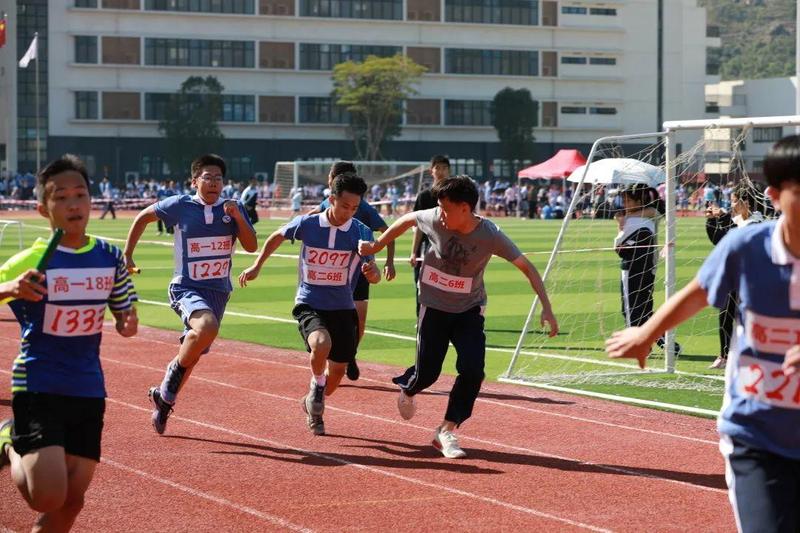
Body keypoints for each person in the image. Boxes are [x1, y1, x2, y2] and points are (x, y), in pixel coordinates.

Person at [606, 135, 800, 533]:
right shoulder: (747, 247)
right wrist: (646, 334)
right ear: (775, 196)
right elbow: (697, 292)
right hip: (757, 436)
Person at [360, 176, 558, 458]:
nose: (440, 214)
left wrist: (546, 306)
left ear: (465, 208)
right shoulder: (435, 218)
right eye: (439, 207)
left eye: (446, 209)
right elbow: (408, 219)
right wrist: (378, 246)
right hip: (433, 306)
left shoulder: (490, 235)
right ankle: (409, 388)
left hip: (469, 309)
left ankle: (446, 429)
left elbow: (527, 267)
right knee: (427, 373)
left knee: (473, 370)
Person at [0, 155, 138, 531]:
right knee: (47, 496)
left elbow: (125, 311)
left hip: (88, 387)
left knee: (71, 502)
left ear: (91, 201)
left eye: (80, 194)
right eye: (61, 197)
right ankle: (9, 441)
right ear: (43, 208)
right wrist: (10, 288)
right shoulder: (32, 260)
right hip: (38, 382)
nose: (73, 204)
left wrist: (127, 321)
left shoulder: (109, 257)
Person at [123, 154, 258, 435]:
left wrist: (237, 217)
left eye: (218, 178)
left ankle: (164, 398)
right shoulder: (180, 205)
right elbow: (143, 217)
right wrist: (128, 255)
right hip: (186, 287)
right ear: (195, 181)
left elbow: (251, 246)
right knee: (206, 327)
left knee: (193, 353)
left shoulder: (233, 208)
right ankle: (169, 384)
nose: (214, 183)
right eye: (208, 177)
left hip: (219, 291)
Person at [238, 172, 381, 435]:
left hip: (343, 307)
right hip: (310, 302)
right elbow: (277, 236)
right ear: (332, 199)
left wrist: (373, 273)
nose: (349, 213)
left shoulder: (361, 231)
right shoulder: (308, 223)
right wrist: (257, 265)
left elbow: (374, 273)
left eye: (354, 208)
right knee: (320, 343)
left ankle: (313, 397)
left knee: (336, 374)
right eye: (344, 206)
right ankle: (317, 386)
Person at [307, 161, 396, 381]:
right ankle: (336, 358)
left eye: (330, 176)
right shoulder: (330, 201)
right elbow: (314, 215)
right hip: (332, 272)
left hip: (360, 272)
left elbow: (387, 231)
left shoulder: (364, 208)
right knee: (329, 320)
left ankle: (350, 354)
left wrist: (389, 262)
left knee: (360, 321)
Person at [704, 183, 765, 369]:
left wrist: (722, 218)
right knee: (725, 314)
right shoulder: (738, 221)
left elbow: (738, 238)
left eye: (734, 201)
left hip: (751, 280)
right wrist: (712, 221)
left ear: (746, 202)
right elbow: (719, 240)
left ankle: (753, 355)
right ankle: (724, 355)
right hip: (734, 277)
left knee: (748, 318)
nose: (731, 205)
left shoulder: (756, 222)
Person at [613, 184, 679, 355]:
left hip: (634, 267)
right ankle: (665, 341)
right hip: (649, 266)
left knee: (631, 309)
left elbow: (619, 248)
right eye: (624, 200)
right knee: (644, 309)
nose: (625, 204)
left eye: (628, 200)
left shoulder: (638, 217)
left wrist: (622, 223)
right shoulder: (646, 215)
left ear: (640, 200)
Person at [410, 155, 450, 317]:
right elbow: (418, 227)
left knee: (448, 285)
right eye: (437, 168)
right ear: (431, 171)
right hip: (427, 249)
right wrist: (413, 252)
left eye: (444, 168)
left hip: (450, 249)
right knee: (421, 284)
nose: (441, 171)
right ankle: (421, 318)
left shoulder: (455, 195)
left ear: (449, 171)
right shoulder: (424, 197)